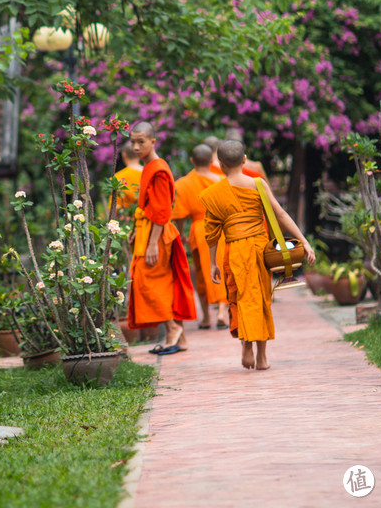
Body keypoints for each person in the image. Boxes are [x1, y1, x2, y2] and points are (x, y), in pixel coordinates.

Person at [200, 139, 315, 371]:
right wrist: (304, 241)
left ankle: (246, 345)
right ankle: (262, 356)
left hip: (234, 251)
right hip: (260, 249)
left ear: (220, 164)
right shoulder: (258, 184)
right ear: (244, 160)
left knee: (240, 298)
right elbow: (280, 214)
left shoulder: (214, 193)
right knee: (261, 299)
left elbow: (211, 234)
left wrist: (212, 263)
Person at [126, 122, 196, 355]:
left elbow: (161, 211)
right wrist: (137, 230)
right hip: (148, 230)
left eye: (141, 142)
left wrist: (153, 242)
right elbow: (148, 206)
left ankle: (173, 328)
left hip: (158, 234)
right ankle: (180, 338)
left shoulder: (158, 169)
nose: (136, 147)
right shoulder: (149, 167)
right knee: (162, 281)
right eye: (133, 142)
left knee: (149, 281)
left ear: (153, 142)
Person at [172, 144, 229, 330]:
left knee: (203, 273)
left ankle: (206, 317)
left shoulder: (183, 183)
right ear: (211, 160)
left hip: (200, 229)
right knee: (221, 267)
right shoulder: (222, 180)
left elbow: (179, 214)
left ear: (192, 161)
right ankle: (221, 311)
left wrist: (180, 233)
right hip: (222, 228)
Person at [113, 144, 143, 211]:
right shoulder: (149, 173)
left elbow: (114, 208)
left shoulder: (117, 178)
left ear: (124, 155)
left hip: (126, 219)